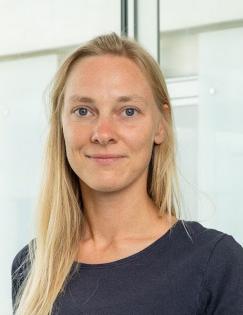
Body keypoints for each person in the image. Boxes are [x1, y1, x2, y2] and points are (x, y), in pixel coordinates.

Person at [11, 32, 243, 315]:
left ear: (161, 125)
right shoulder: (34, 266)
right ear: (61, 125)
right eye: (83, 111)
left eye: (128, 111)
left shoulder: (216, 263)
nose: (103, 133)